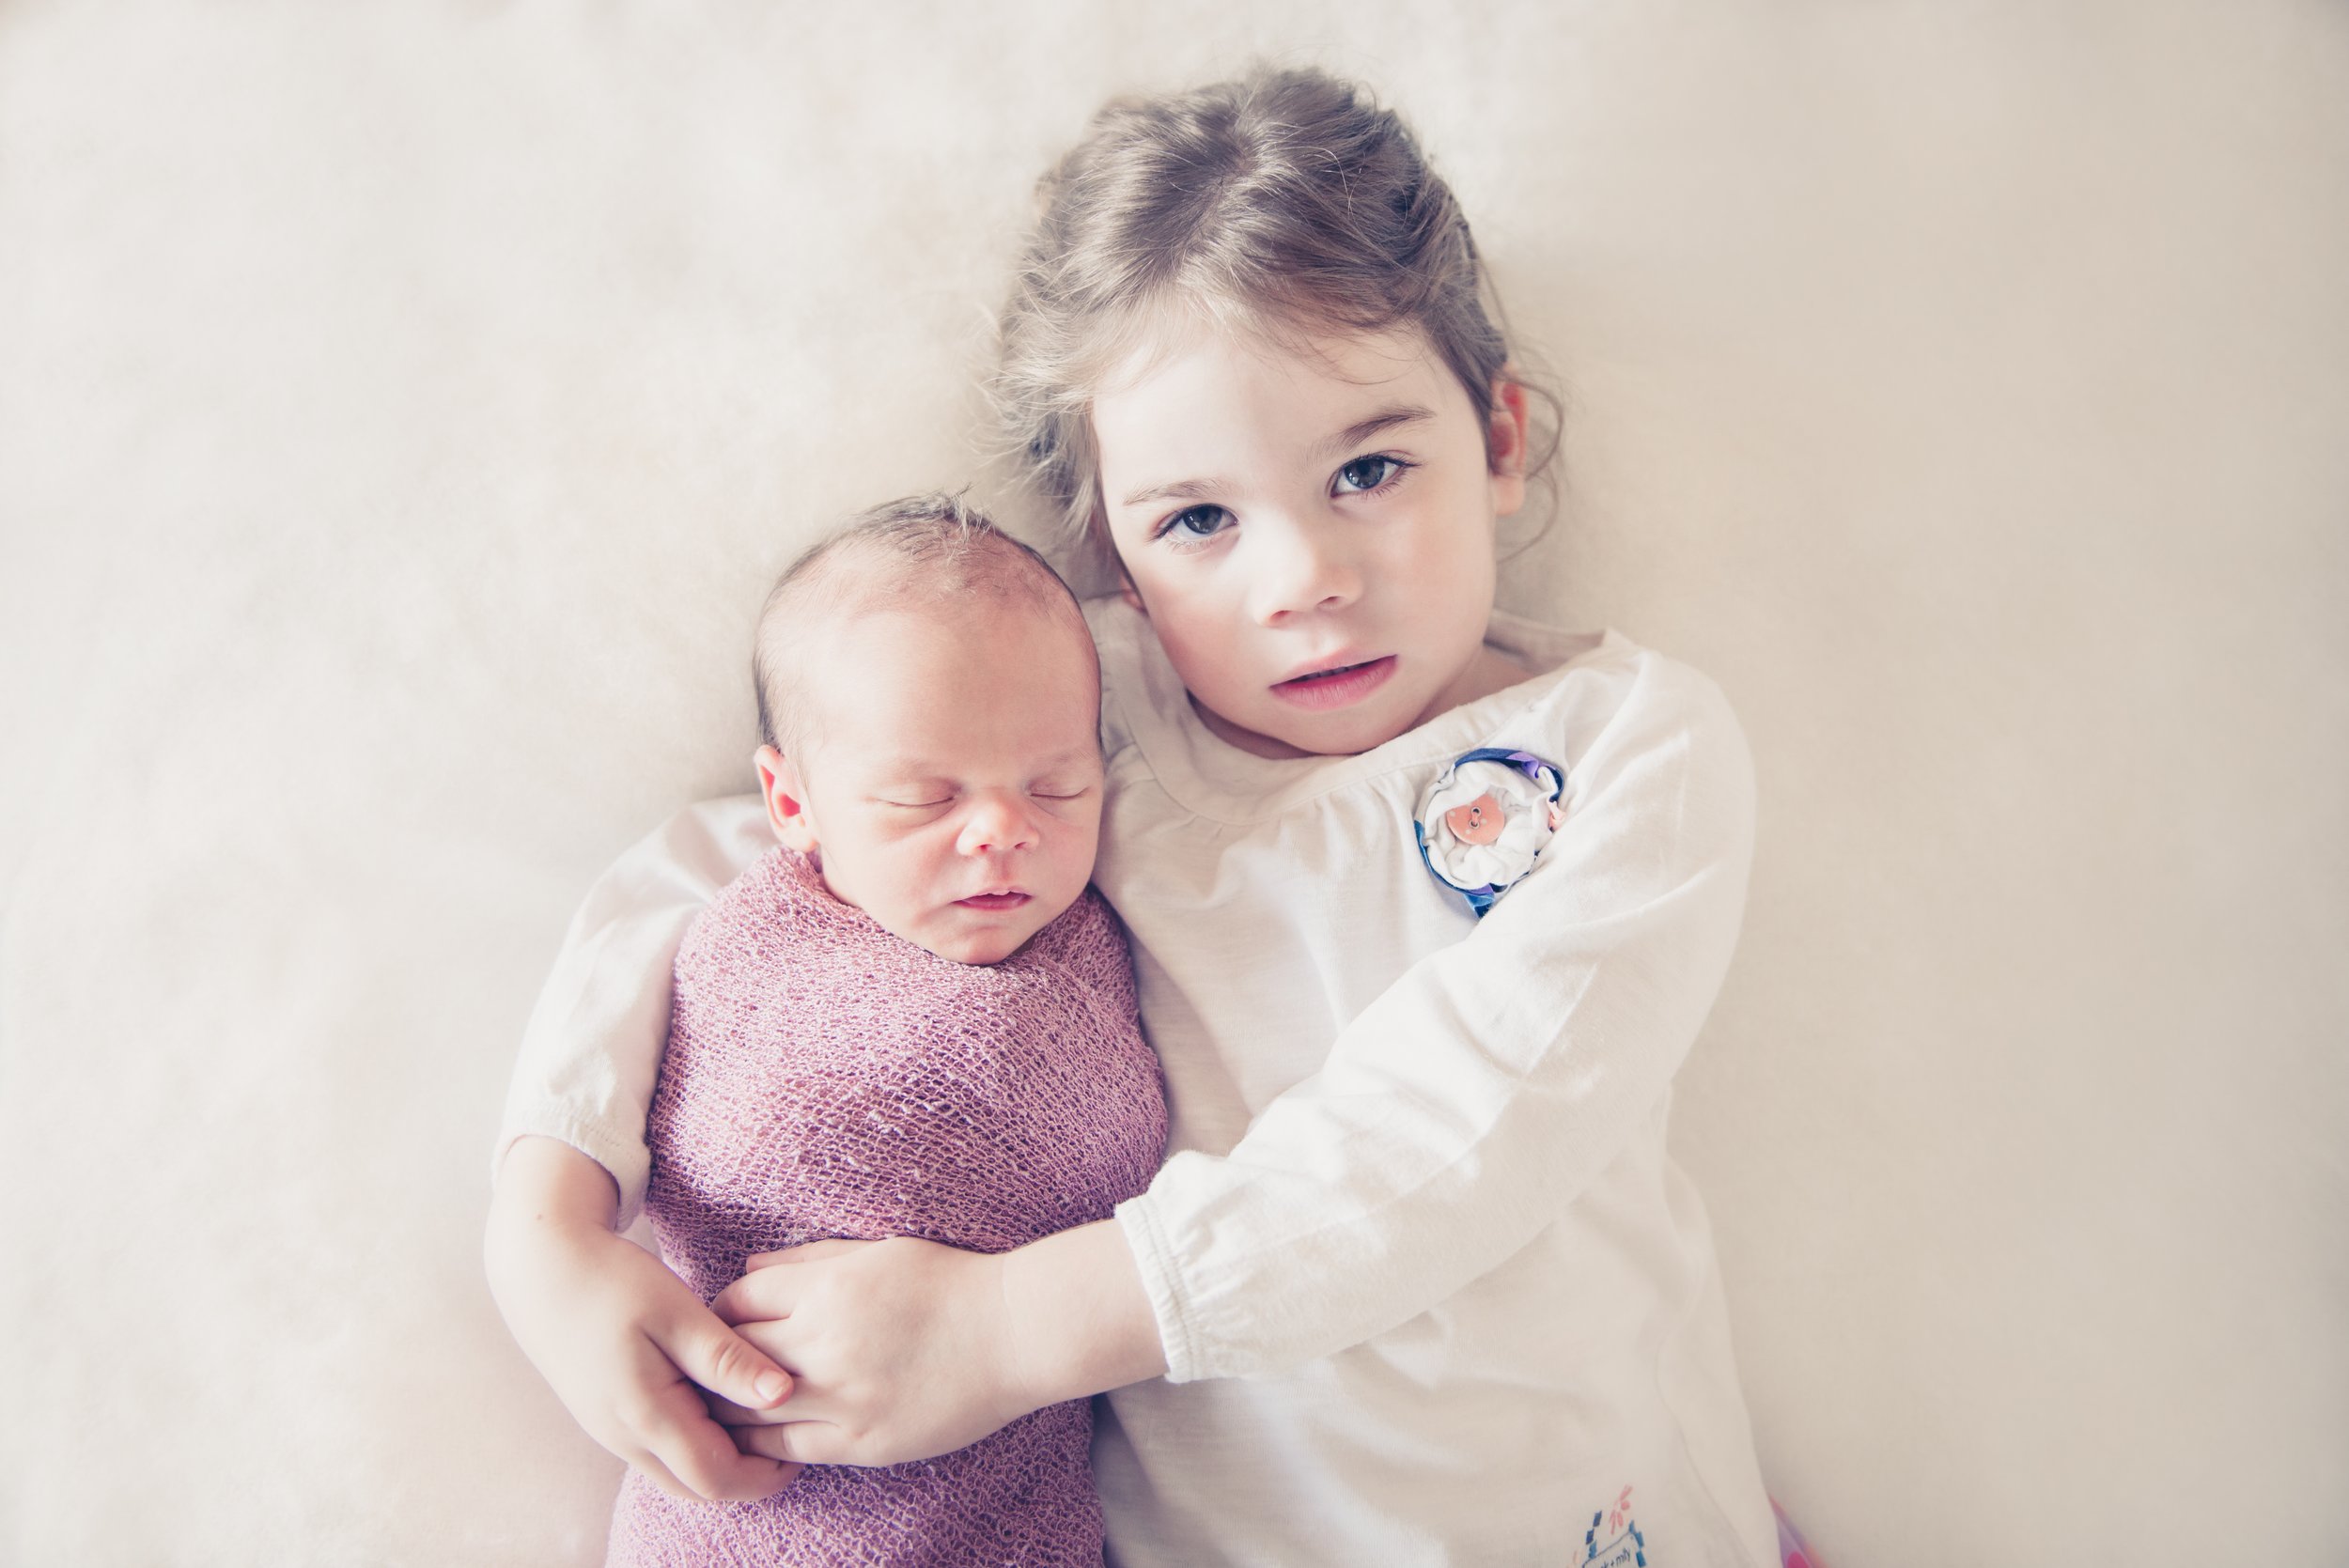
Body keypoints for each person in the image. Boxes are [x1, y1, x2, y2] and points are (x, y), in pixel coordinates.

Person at [489, 65, 1805, 1566]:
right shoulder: (1084, 716)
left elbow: (1449, 1139)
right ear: (1108, 547)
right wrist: (549, 1225)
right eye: (1199, 519)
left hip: (1571, 1517)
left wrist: (1006, 1328)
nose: (1301, 575)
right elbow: (713, 864)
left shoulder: (1632, 750)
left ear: (1500, 440)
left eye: (1370, 469)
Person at [591, 495, 1167, 1565]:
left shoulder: (1102, 939)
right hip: (740, 1495)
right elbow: (661, 1114)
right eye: (919, 797)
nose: (1002, 828)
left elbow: (1120, 1163)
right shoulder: (730, 932)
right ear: (792, 802)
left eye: (1057, 783)